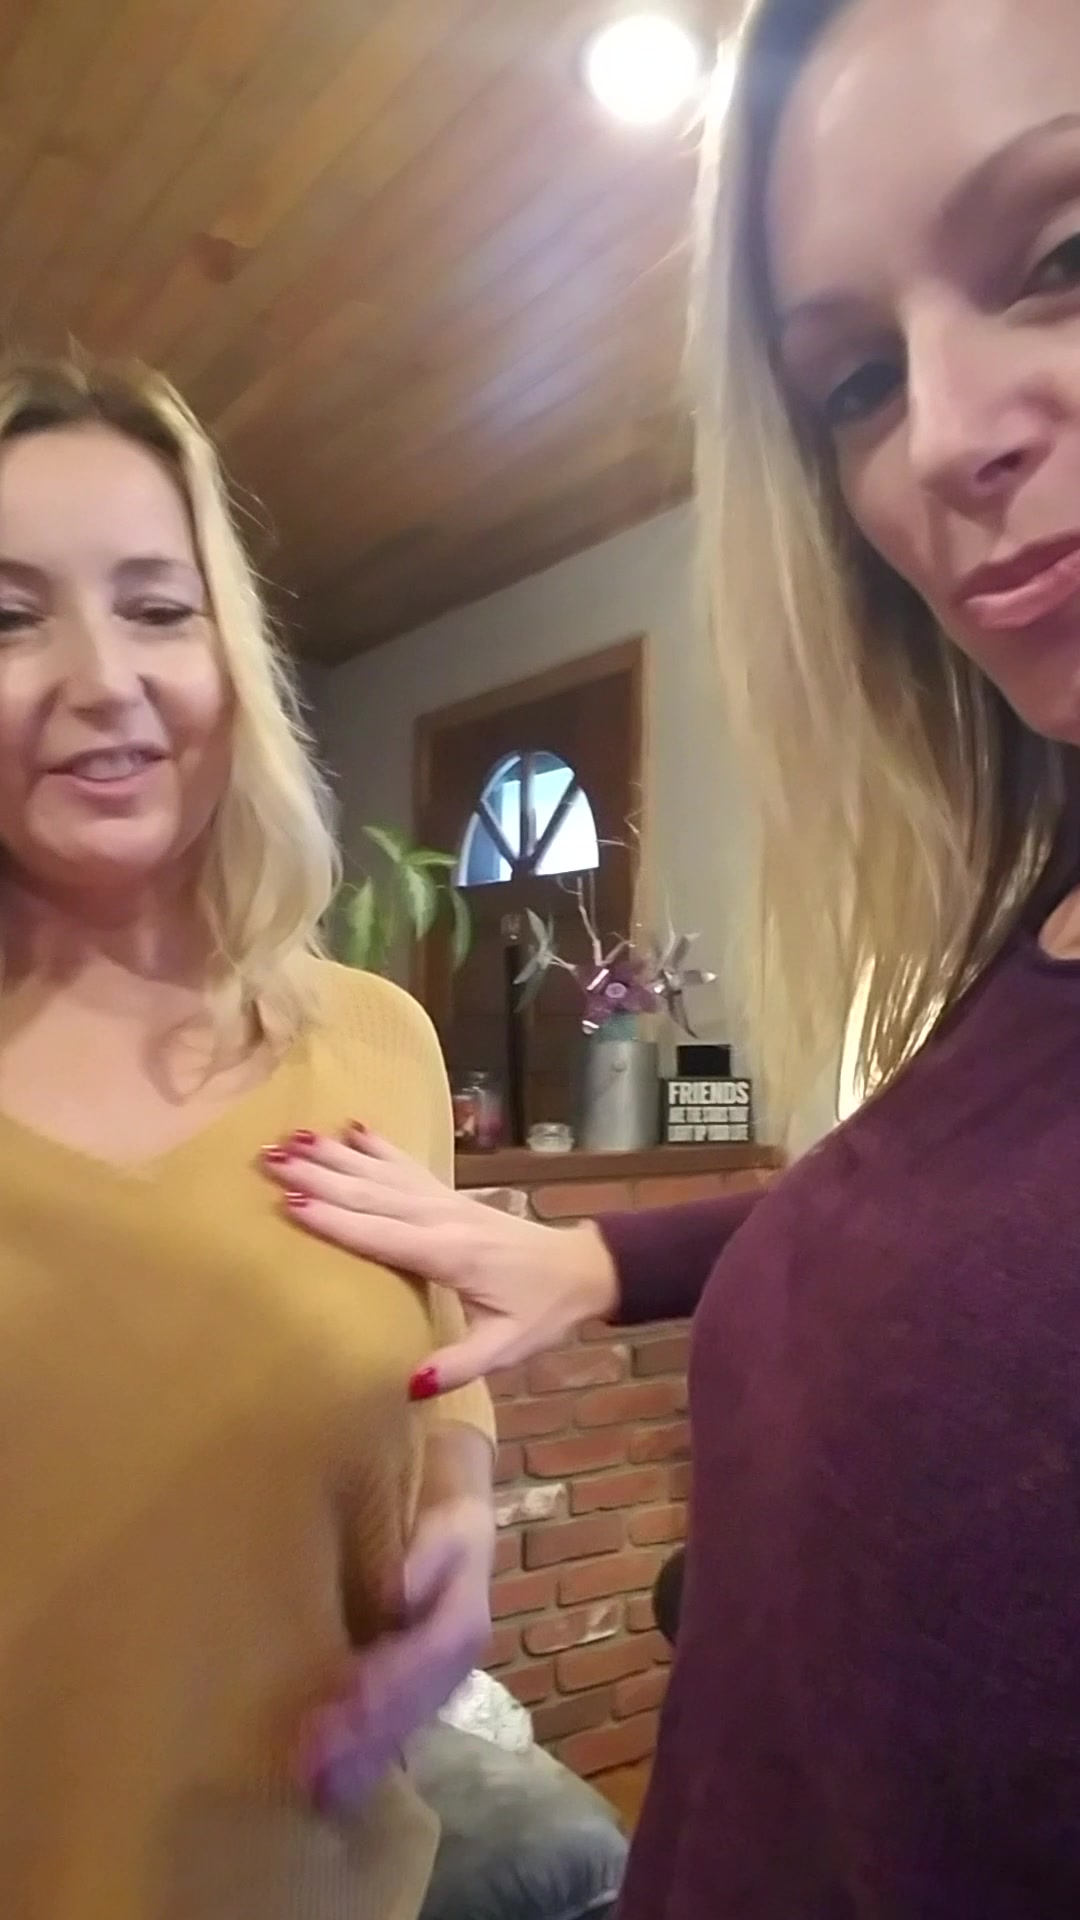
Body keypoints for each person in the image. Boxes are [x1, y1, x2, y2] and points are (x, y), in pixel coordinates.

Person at [268, 0, 1080, 1911]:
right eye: (854, 379)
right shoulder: (1041, 920)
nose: (943, 436)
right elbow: (956, 1210)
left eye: (1065, 254)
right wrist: (597, 1257)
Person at [0, 352, 495, 1920]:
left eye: (159, 606)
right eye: (8, 618)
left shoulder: (377, 1041)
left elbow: (443, 1367)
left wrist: (462, 1518)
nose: (102, 677)